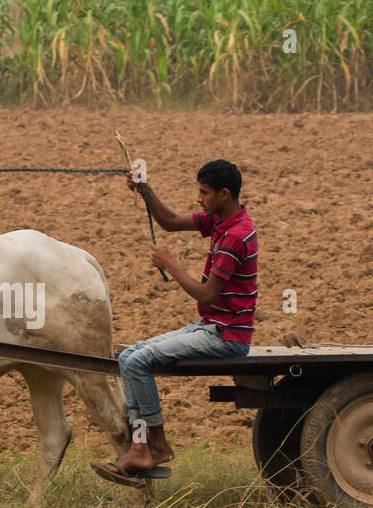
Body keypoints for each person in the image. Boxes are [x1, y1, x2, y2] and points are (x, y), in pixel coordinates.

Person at [92, 159, 258, 487]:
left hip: (226, 335)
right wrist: (144, 189)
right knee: (128, 357)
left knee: (138, 360)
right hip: (210, 326)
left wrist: (171, 265)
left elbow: (208, 294)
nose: (199, 198)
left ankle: (157, 443)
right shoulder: (219, 220)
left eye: (204, 192)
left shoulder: (236, 237)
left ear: (224, 194)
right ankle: (141, 445)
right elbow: (168, 221)